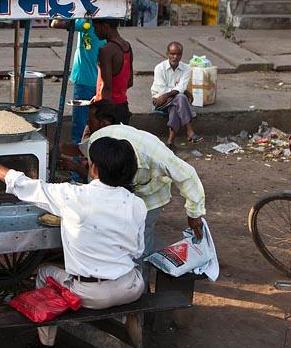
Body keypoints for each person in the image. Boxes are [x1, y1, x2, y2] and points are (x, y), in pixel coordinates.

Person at [0, 136, 146, 348]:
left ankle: (46, 346)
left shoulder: (74, 196)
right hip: (132, 286)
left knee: (45, 272)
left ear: (94, 168)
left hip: (90, 295)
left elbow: (21, 184)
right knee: (123, 270)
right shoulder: (137, 204)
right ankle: (118, 339)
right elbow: (137, 250)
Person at [59, 99, 206, 273]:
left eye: (90, 120)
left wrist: (194, 213)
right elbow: (91, 170)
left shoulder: (152, 151)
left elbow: (187, 174)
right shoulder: (97, 139)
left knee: (140, 249)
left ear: (104, 122)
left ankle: (139, 286)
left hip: (149, 198)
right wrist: (61, 152)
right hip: (122, 193)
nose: (87, 124)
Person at [50, 18, 105, 144]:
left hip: (84, 80)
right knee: (98, 122)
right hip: (102, 82)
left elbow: (55, 23)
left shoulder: (86, 23)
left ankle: (79, 155)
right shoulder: (104, 26)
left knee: (80, 126)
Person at [151, 41, 202, 151]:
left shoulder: (186, 68)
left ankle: (170, 142)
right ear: (167, 54)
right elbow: (162, 90)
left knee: (178, 103)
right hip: (159, 101)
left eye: (178, 54)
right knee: (181, 97)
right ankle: (189, 130)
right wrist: (181, 91)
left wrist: (178, 91)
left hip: (174, 100)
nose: (175, 57)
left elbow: (182, 87)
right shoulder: (159, 68)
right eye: (172, 54)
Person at [92, 19, 134, 125]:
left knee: (91, 140)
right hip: (123, 107)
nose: (94, 31)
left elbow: (106, 87)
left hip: (107, 110)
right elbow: (129, 82)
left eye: (95, 27)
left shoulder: (106, 50)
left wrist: (99, 105)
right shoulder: (127, 46)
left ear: (104, 26)